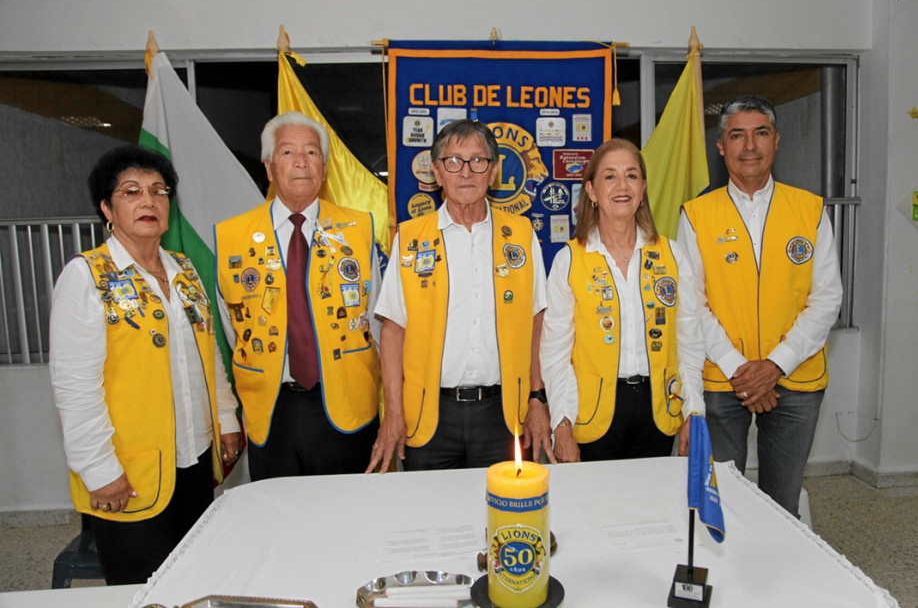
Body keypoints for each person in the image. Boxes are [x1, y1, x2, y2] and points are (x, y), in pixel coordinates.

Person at [49, 145, 241, 584]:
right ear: (106, 208)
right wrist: (100, 472)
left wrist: (226, 419)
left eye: (159, 191)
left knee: (193, 579)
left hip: (192, 458)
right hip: (128, 472)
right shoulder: (87, 276)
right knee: (143, 588)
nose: (148, 201)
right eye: (131, 191)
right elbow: (75, 388)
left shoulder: (183, 270)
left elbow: (208, 355)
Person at [678, 95, 842, 517]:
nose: (749, 146)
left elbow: (826, 299)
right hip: (722, 379)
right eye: (737, 135)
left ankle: (775, 580)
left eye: (760, 133)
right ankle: (730, 579)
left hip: (796, 378)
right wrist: (740, 369)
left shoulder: (810, 209)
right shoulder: (696, 214)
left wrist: (774, 366)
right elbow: (693, 305)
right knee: (722, 501)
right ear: (721, 146)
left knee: (782, 504)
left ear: (776, 140)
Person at [367, 119, 552, 472]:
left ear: (494, 171)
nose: (466, 172)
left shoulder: (522, 235)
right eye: (453, 161)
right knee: (430, 522)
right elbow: (392, 331)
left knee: (505, 520)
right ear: (436, 172)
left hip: (504, 414)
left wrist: (537, 398)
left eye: (478, 161)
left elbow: (536, 322)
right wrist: (392, 414)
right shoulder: (409, 238)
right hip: (430, 416)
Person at [215, 111, 381, 480]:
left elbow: (379, 322)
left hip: (347, 402)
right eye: (288, 152)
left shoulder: (359, 229)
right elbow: (232, 328)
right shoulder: (231, 237)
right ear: (270, 167)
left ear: (324, 167)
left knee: (347, 515)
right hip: (272, 405)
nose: (302, 162)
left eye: (312, 152)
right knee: (279, 521)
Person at [540, 138, 704, 463]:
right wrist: (561, 423)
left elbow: (689, 344)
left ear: (643, 189)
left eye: (631, 175)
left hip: (659, 413)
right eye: (610, 176)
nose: (622, 185)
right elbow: (555, 356)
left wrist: (694, 411)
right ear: (591, 191)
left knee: (653, 507)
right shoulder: (570, 260)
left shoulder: (672, 255)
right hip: (591, 417)